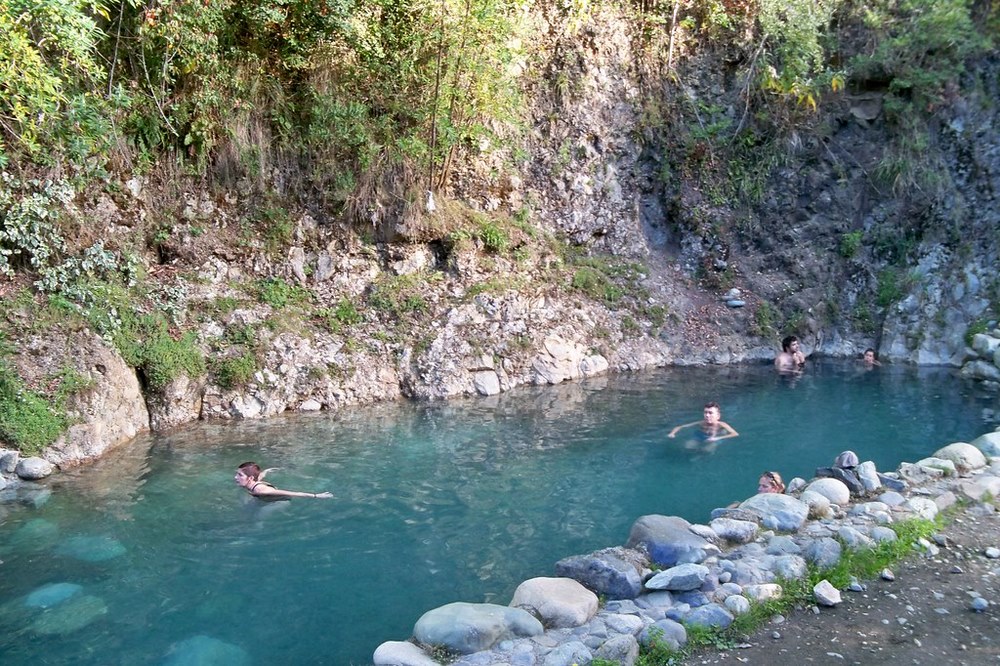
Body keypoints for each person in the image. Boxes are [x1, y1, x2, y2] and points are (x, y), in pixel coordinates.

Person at [235, 461, 333, 500]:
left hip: (280, 502)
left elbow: (294, 493)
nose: (236, 477)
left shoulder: (260, 490)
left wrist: (316, 496)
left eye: (240, 475)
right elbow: (260, 475)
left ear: (250, 478)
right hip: (264, 499)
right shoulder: (254, 480)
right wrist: (269, 470)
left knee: (256, 522)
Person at [667, 401, 739, 445]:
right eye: (705, 412)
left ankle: (701, 457)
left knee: (707, 451)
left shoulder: (722, 424)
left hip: (715, 438)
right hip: (701, 436)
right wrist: (672, 433)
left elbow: (735, 434)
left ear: (718, 416)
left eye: (710, 413)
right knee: (688, 446)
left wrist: (718, 438)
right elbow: (680, 427)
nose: (707, 415)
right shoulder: (702, 423)